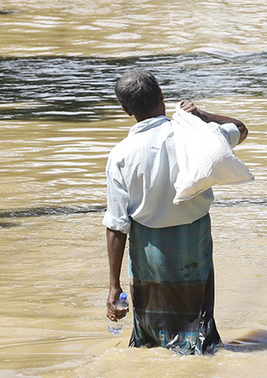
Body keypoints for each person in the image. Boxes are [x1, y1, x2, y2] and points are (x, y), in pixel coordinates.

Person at [104, 69, 248, 354]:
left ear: (125, 109)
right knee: (198, 325)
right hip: (193, 241)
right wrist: (201, 114)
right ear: (161, 96)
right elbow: (241, 129)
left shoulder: (120, 154)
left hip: (147, 250)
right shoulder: (195, 135)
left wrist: (112, 286)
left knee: (151, 332)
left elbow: (117, 225)